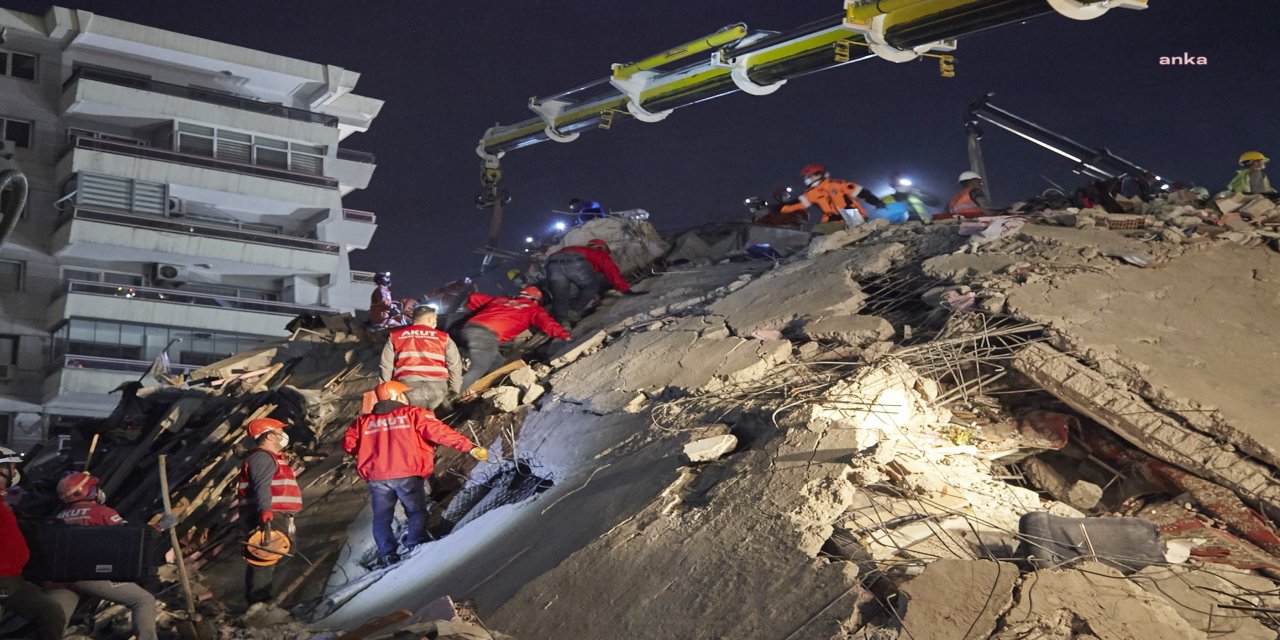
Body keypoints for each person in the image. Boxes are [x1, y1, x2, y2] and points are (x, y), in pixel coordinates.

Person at [342, 381, 489, 567]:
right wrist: (470, 448)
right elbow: (440, 432)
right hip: (407, 473)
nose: (406, 397)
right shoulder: (413, 415)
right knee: (416, 511)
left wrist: (373, 446)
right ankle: (416, 543)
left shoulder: (362, 422)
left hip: (377, 476)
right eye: (403, 394)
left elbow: (349, 445)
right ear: (396, 396)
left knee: (382, 518)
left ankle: (388, 554)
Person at [53, 472, 163, 640]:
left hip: (60, 579)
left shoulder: (59, 517)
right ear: (86, 491)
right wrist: (159, 527)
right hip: (89, 575)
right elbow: (129, 536)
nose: (98, 491)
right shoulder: (101, 512)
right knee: (143, 600)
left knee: (55, 624)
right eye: (94, 488)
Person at [0, 447, 71, 640]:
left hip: (13, 576)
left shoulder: (4, 502)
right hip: (4, 579)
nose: (14, 473)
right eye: (10, 468)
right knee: (50, 613)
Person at [236, 418, 302, 606]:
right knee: (264, 558)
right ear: (270, 435)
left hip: (275, 514)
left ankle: (264, 601)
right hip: (268, 515)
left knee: (270, 558)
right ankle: (259, 604)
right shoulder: (262, 457)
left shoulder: (268, 457)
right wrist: (265, 511)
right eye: (280, 430)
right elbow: (261, 486)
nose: (283, 434)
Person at [459, 287, 570, 392]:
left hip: (469, 327)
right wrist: (564, 335)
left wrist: (469, 300)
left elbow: (474, 298)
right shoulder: (533, 309)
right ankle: (456, 392)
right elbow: (548, 324)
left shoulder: (502, 301)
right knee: (482, 366)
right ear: (535, 300)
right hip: (486, 334)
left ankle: (465, 366)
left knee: (498, 359)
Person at [380, 306, 463, 411]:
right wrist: (454, 388)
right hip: (438, 388)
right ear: (430, 320)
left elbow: (386, 366)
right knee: (432, 422)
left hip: (408, 387)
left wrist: (384, 390)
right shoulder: (444, 338)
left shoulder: (395, 337)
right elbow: (454, 364)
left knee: (414, 419)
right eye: (435, 320)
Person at [544, 239, 643, 325]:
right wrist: (625, 289)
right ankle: (573, 311)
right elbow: (611, 270)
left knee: (561, 294)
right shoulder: (599, 252)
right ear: (603, 247)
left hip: (552, 261)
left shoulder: (579, 250)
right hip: (574, 261)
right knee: (591, 286)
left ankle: (556, 316)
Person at [779, 164, 884, 228]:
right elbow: (797, 204)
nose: (807, 179)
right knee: (818, 232)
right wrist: (779, 209)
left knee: (852, 221)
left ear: (818, 175)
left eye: (809, 176)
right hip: (833, 219)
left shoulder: (837, 184)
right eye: (807, 177)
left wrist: (876, 202)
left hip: (852, 214)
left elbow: (861, 192)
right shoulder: (811, 193)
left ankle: (861, 233)